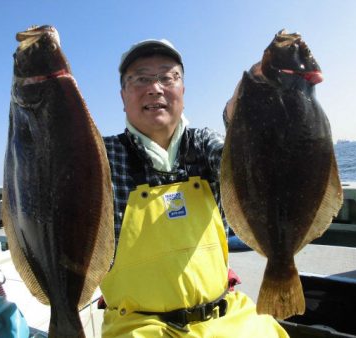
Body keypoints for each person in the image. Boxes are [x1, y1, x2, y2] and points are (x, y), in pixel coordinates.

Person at [99, 39, 289, 337]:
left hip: (225, 314)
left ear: (183, 92)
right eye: (141, 79)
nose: (155, 87)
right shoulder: (100, 158)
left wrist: (241, 111)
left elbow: (243, 165)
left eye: (167, 77)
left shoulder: (204, 144)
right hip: (139, 325)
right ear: (123, 96)